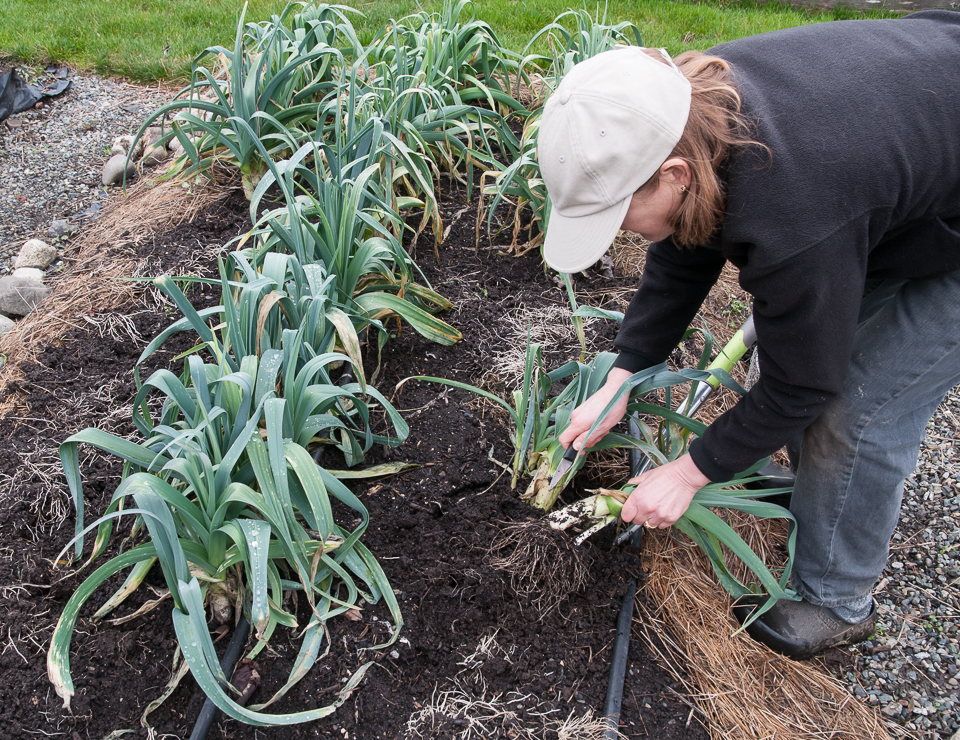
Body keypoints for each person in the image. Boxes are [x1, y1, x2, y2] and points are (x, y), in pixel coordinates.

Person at [538, 11, 960, 659]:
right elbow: (684, 242)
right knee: (810, 350)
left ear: (675, 175)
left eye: (617, 213)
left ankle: (836, 600)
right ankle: (826, 492)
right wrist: (622, 376)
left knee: (860, 410)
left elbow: (803, 384)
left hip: (892, 188)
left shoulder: (791, 208)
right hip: (907, 158)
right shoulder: (689, 112)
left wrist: (686, 473)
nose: (619, 232)